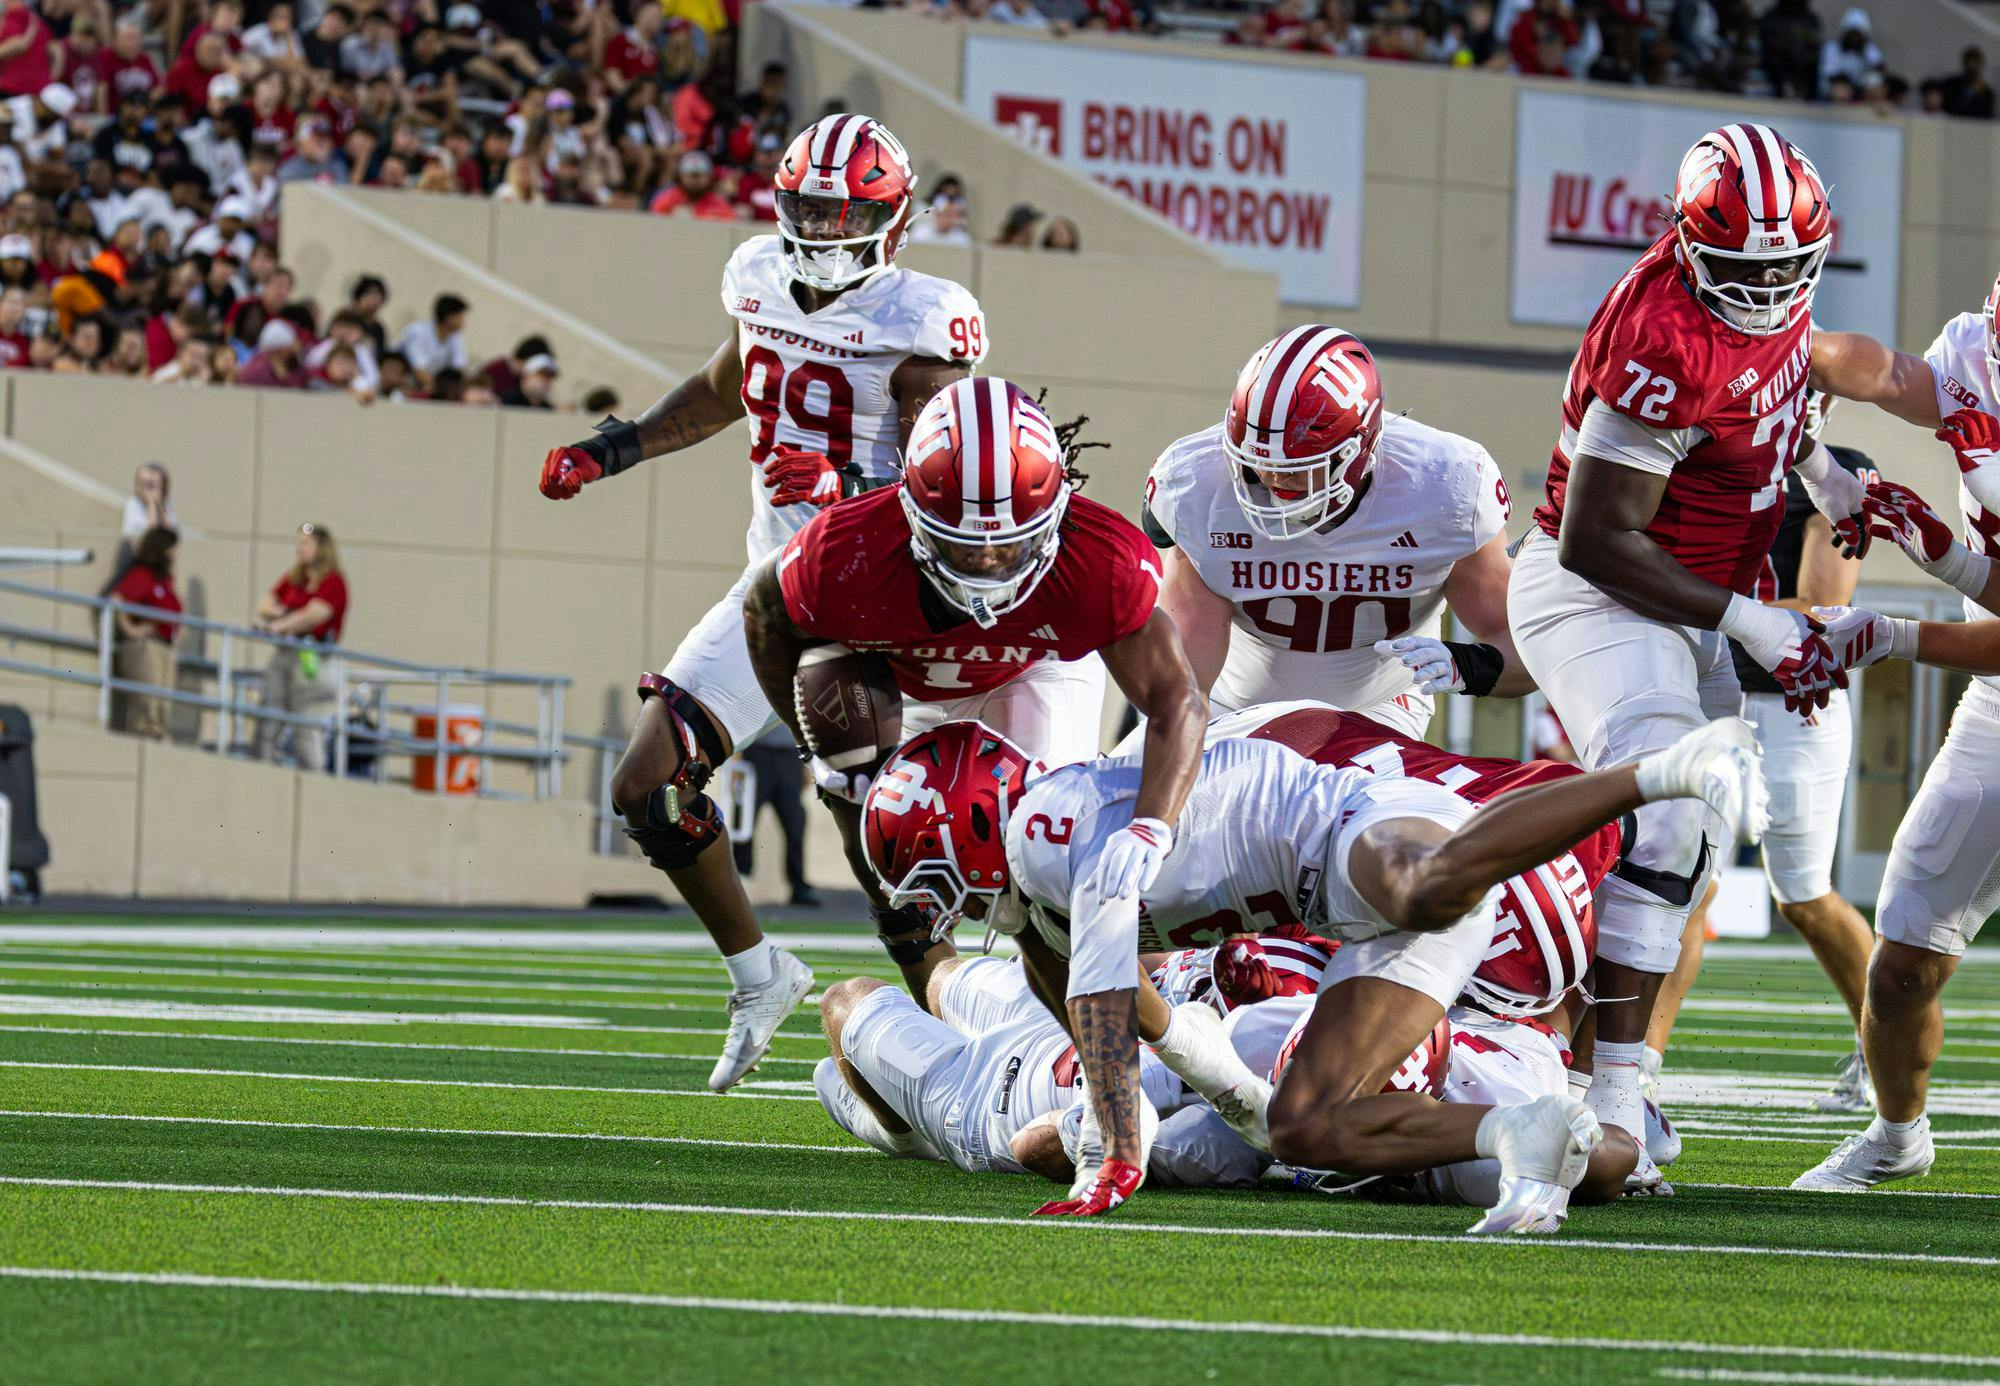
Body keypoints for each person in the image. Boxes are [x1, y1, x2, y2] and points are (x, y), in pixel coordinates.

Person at [1504, 123, 1940, 1193]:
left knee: (1693, 842)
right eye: (1742, 270)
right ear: (1691, 246)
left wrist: (1821, 474)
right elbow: (1592, 537)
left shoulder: (1757, 310)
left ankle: (1617, 1086)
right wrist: (1751, 624)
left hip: (1690, 594)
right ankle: (1598, 1103)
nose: (1766, 289)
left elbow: (1765, 402)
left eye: (1786, 268)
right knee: (1665, 807)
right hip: (1602, 589)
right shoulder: (1661, 335)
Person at [859, 713, 1764, 1222]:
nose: (954, 910)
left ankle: (1670, 768)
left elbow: (1105, 1004)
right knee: (1303, 1124)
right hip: (1350, 920)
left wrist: (1117, 1157)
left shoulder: (1045, 835)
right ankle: (1509, 1136)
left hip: (1352, 830)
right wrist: (1226, 1102)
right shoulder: (1044, 914)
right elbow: (1139, 1019)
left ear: (971, 828)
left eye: (942, 883)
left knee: (1422, 885)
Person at [536, 114, 990, 1094]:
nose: (819, 225)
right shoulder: (757, 278)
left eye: (839, 208)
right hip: (773, 593)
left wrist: (835, 488)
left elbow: (951, 489)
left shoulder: (920, 321)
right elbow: (724, 386)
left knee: (880, 857)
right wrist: (609, 450)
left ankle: (964, 1046)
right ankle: (757, 974)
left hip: (876, 607)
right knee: (646, 789)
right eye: (805, 205)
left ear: (888, 217)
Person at [743, 378, 1206, 1004]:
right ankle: (945, 1011)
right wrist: (814, 744)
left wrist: (1151, 828)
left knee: (1044, 864)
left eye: (1008, 540)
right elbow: (764, 613)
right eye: (961, 542)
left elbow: (1178, 701)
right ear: (909, 509)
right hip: (904, 687)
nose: (987, 562)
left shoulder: (1101, 561)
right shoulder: (844, 550)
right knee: (866, 814)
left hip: (1034, 668)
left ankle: (1133, 1032)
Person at [1642, 391, 1877, 1114]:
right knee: (1680, 886)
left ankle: (1883, 1043)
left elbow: (1822, 608)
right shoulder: (1694, 464)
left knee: (1803, 895)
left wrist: (1690, 595)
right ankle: (1638, 1068)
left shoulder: (1842, 474)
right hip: (1703, 692)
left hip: (1791, 703)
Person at [1146, 327, 1528, 742]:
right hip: (1232, 707)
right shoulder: (1197, 484)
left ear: (1359, 448)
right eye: (1257, 464)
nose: (1273, 481)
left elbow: (1520, 642)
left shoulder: (1444, 486)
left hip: (1379, 709)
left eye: (1297, 467)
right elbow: (1184, 676)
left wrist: (1467, 664)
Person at [253, 523, 349, 771]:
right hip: (286, 652)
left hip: (312, 658)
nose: (300, 549)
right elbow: (266, 604)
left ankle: (313, 780)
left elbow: (316, 614)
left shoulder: (333, 582)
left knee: (306, 730)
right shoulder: (296, 578)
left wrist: (283, 623)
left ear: (321, 548)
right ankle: (262, 768)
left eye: (306, 543)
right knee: (268, 719)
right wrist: (288, 615)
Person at [110, 526, 181, 741]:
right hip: (146, 647)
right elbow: (117, 600)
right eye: (172, 548)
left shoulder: (164, 579)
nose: (175, 554)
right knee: (147, 706)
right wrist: (132, 629)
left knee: (162, 708)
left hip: (164, 645)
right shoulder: (142, 574)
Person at [733, 724, 816, 907]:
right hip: (755, 753)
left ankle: (798, 886)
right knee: (744, 819)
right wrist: (736, 758)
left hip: (790, 756)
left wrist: (808, 764)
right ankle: (739, 881)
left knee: (795, 823)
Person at [396, 292, 469, 388]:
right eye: (460, 316)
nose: (463, 320)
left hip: (429, 384)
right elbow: (419, 370)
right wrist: (440, 391)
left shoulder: (455, 337)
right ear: (449, 318)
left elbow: (460, 370)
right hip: (404, 380)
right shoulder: (418, 331)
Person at [122, 461, 175, 540]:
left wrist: (158, 505)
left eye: (150, 485)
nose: (145, 489)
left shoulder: (165, 505)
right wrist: (152, 504)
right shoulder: (133, 504)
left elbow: (170, 535)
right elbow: (150, 535)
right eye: (141, 483)